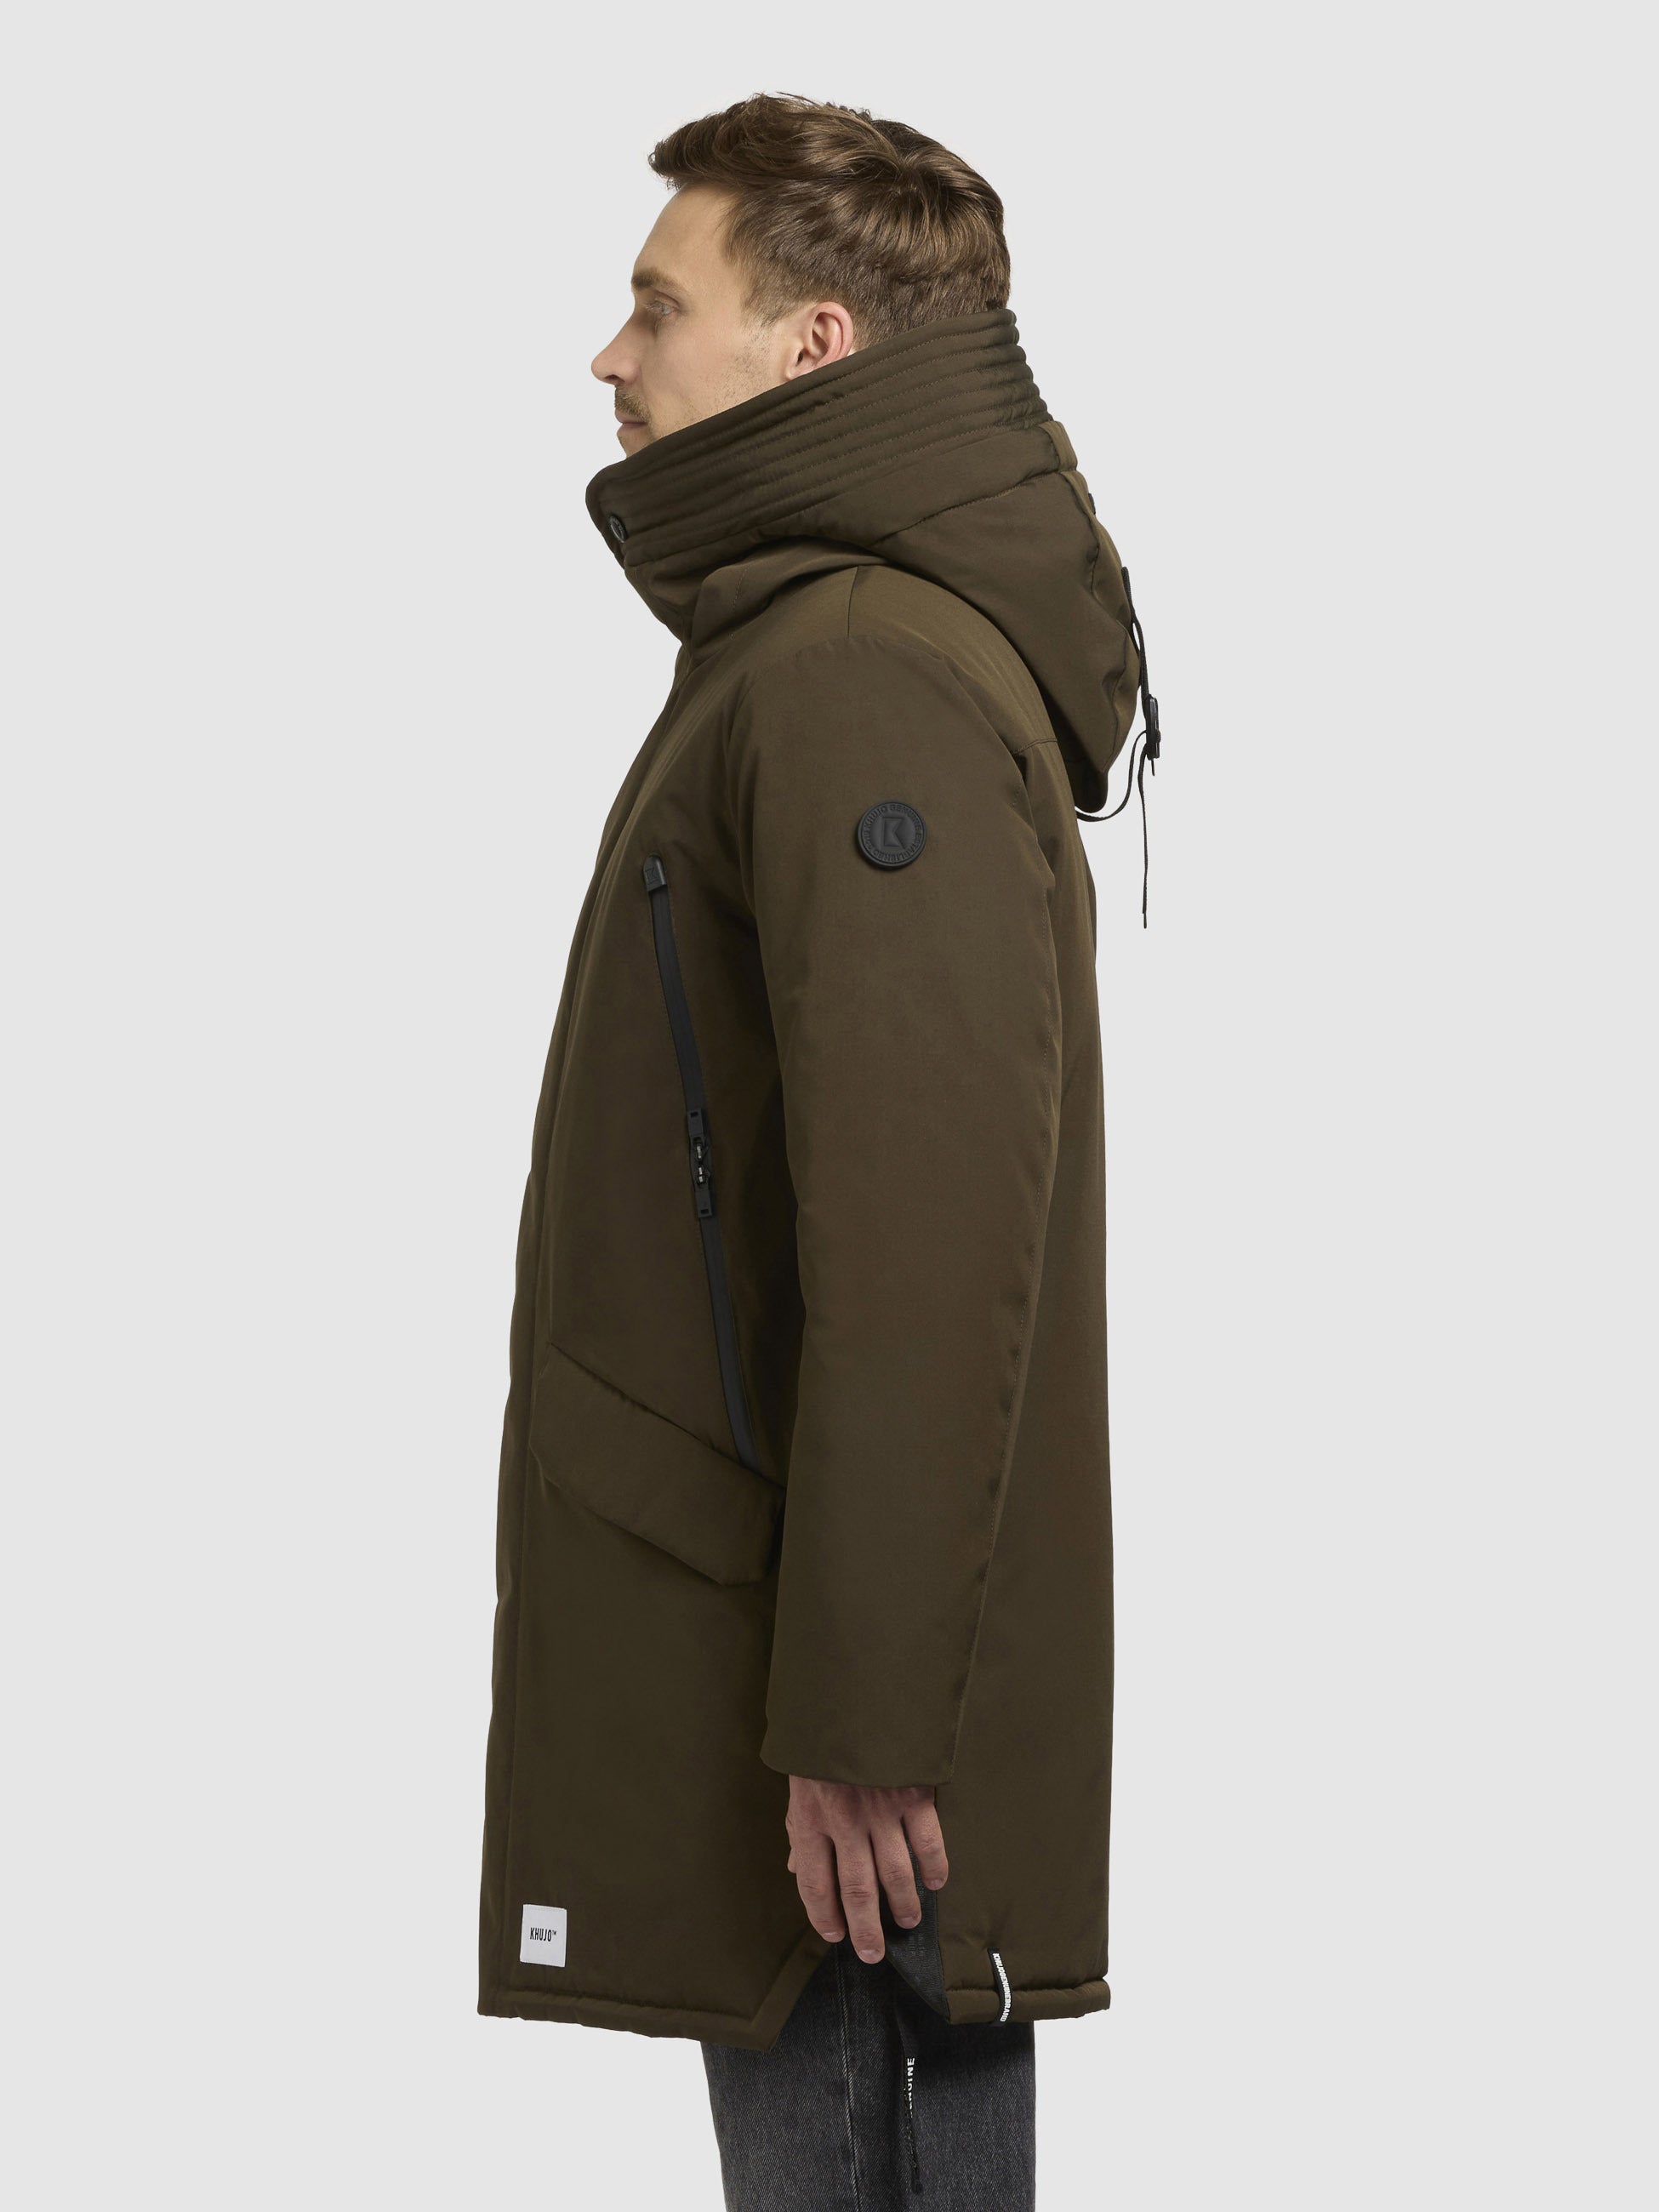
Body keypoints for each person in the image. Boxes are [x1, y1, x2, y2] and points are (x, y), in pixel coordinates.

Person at [478, 92, 1153, 2210]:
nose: (610, 353)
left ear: (814, 347)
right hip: (802, 1665)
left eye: (656, 304)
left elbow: (928, 1232)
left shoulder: (857, 672)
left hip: (844, 1756)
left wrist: (866, 1721)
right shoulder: (813, 649)